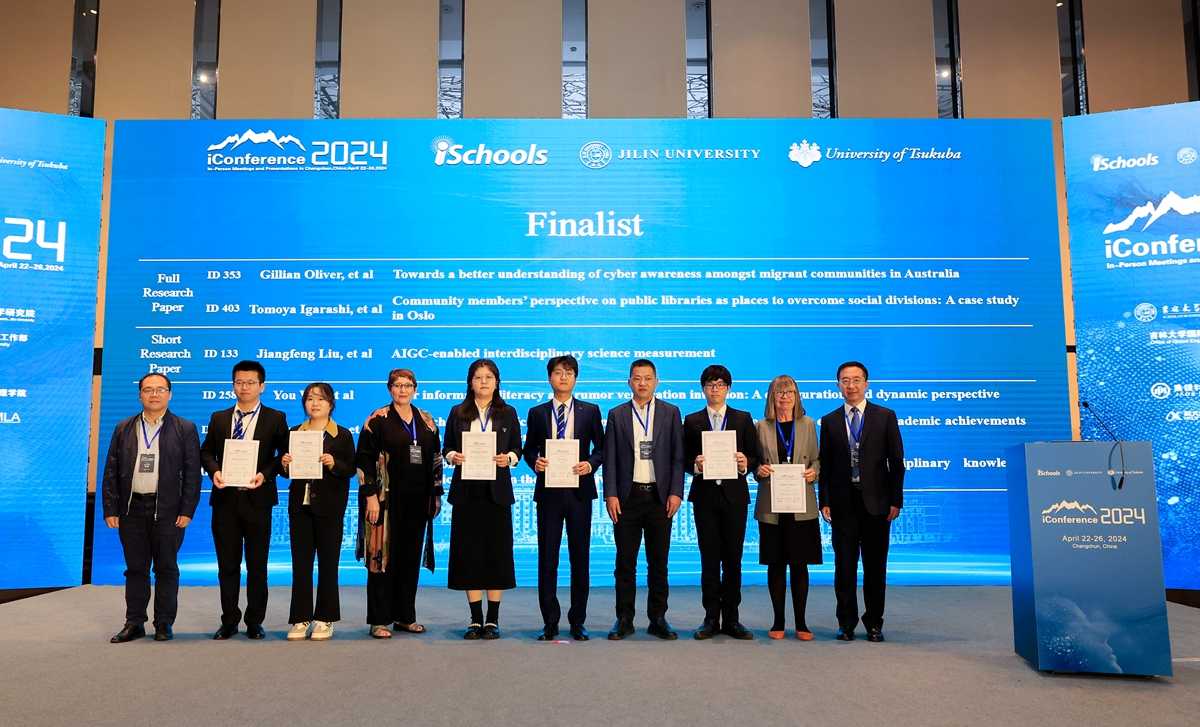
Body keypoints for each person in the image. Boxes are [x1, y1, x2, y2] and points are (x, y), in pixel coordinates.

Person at [102, 373, 201, 643]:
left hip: (168, 510)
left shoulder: (185, 428)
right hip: (131, 509)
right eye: (148, 390)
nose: (154, 394)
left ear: (169, 394)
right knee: (136, 569)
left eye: (160, 390)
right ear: (140, 395)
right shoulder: (123, 427)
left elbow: (193, 473)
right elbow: (111, 471)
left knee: (166, 568)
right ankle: (134, 622)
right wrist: (110, 508)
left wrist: (187, 510)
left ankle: (164, 622)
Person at [200, 360, 290, 640]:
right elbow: (206, 453)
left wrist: (265, 474)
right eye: (239, 382)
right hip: (225, 500)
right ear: (233, 385)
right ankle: (229, 621)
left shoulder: (275, 418)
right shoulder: (219, 418)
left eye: (250, 382)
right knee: (227, 566)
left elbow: (283, 457)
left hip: (258, 500)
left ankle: (255, 621)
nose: (244, 387)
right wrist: (214, 471)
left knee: (257, 566)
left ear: (262, 386)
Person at [818, 361, 905, 642]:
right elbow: (826, 465)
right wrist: (824, 500)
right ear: (838, 385)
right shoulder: (829, 421)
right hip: (843, 503)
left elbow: (896, 462)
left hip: (877, 503)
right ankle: (846, 623)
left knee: (875, 567)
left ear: (866, 384)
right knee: (844, 566)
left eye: (856, 380)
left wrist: (896, 500)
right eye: (845, 380)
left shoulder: (885, 416)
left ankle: (874, 623)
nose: (851, 385)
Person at [356, 369, 443, 639]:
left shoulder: (427, 421)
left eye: (407, 385)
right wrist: (370, 497)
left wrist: (436, 495)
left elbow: (436, 459)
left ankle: (405, 617)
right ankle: (379, 620)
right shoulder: (377, 419)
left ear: (415, 389)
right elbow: (364, 460)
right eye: (397, 385)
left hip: (418, 500)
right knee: (381, 559)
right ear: (389, 389)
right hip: (384, 501)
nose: (403, 390)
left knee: (409, 558)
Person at [523, 355, 604, 641]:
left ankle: (578, 621)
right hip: (549, 493)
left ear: (575, 378)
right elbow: (528, 449)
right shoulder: (537, 412)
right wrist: (535, 462)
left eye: (569, 373)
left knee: (580, 559)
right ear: (550, 378)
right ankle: (550, 622)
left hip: (579, 492)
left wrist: (590, 464)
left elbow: (601, 448)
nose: (563, 377)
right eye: (558, 372)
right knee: (548, 560)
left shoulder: (590, 410)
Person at [602, 359, 684, 640]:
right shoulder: (617, 414)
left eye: (648, 378)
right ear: (629, 382)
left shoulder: (671, 412)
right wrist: (611, 494)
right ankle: (624, 618)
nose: (642, 383)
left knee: (658, 561)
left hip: (660, 497)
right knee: (625, 562)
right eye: (637, 378)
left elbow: (678, 457)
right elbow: (610, 458)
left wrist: (676, 492)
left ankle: (658, 617)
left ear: (656, 382)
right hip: (627, 497)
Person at [443, 359, 522, 639]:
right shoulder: (458, 412)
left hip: (496, 492)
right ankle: (475, 619)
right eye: (478, 377)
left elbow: (517, 448)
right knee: (469, 554)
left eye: (489, 377)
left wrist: (508, 458)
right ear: (470, 382)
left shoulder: (508, 413)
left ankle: (493, 619)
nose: (484, 382)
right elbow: (446, 447)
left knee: (496, 554)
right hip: (466, 491)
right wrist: (453, 456)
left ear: (497, 382)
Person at [683, 364, 760, 640]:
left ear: (728, 388)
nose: (714, 389)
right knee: (709, 559)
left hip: (734, 497)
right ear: (703, 388)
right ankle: (710, 619)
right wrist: (696, 465)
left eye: (720, 384)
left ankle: (732, 619)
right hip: (704, 497)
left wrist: (744, 464)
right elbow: (683, 459)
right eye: (710, 384)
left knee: (733, 559)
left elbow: (755, 456)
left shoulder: (743, 418)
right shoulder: (692, 420)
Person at [280, 382, 356, 641]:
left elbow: (350, 469)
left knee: (328, 564)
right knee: (301, 565)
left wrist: (334, 463)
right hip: (300, 507)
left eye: (321, 399)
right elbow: (284, 471)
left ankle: (326, 618)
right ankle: (300, 618)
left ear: (331, 404)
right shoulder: (294, 432)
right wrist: (285, 464)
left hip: (330, 507)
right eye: (310, 398)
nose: (315, 403)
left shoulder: (342, 435)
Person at [753, 375, 822, 640]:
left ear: (797, 396)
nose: (784, 397)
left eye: (789, 392)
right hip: (772, 504)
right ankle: (778, 621)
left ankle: (802, 623)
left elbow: (816, 459)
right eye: (779, 392)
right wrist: (758, 470)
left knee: (799, 563)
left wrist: (814, 472)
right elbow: (755, 463)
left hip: (801, 503)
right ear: (771, 397)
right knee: (776, 563)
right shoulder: (761, 426)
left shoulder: (808, 424)